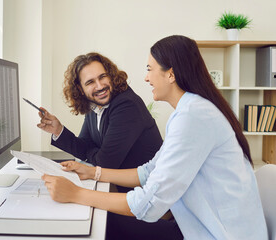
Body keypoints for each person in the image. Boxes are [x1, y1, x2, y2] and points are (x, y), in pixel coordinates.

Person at [41, 35, 268, 240]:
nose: (146, 78)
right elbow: (149, 171)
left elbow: (148, 204)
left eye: (149, 69)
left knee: (101, 224)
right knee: (101, 219)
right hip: (194, 221)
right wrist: (93, 172)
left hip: (213, 232)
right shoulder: (188, 112)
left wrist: (76, 194)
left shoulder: (193, 117)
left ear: (170, 74)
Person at [37, 52, 163, 190]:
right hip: (118, 188)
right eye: (90, 82)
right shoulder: (94, 104)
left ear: (110, 75)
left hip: (144, 193)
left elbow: (104, 164)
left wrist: (92, 153)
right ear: (80, 89)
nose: (100, 86)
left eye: (102, 77)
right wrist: (58, 130)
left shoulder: (126, 105)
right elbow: (84, 147)